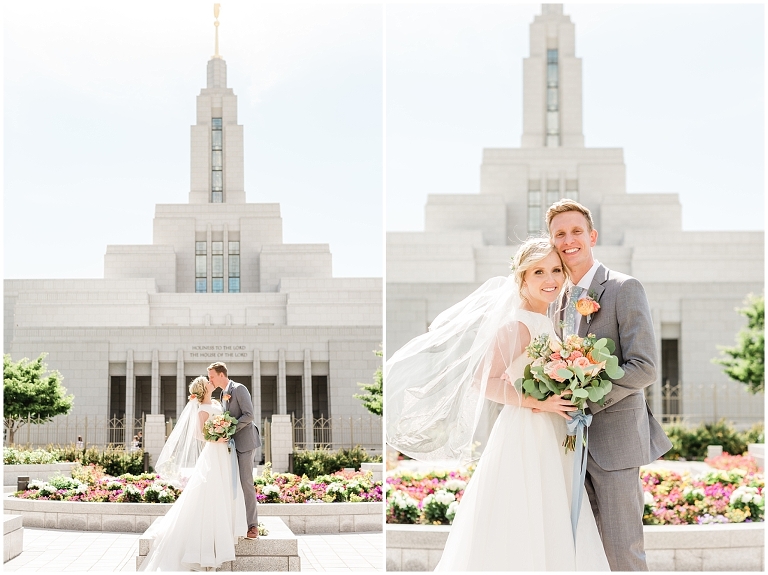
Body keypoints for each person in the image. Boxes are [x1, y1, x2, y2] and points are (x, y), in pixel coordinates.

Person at [386, 237, 610, 571]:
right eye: (538, 272)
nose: (550, 279)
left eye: (555, 270)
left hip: (550, 431)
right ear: (523, 279)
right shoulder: (519, 324)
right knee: (523, 510)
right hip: (527, 430)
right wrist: (541, 402)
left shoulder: (546, 321)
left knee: (550, 511)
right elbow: (484, 382)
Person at [545, 199, 672, 571]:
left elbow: (644, 366)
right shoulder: (556, 302)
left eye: (576, 231)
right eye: (560, 234)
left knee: (622, 552)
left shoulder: (623, 287)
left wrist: (585, 401)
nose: (569, 240)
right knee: (581, 553)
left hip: (615, 444)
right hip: (567, 449)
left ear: (592, 236)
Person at [138, 376, 247, 571]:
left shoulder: (216, 402)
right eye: (207, 382)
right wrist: (216, 438)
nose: (210, 382)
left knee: (224, 485)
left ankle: (227, 525)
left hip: (225, 452)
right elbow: (199, 434)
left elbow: (224, 412)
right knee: (211, 488)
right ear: (203, 389)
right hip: (214, 451)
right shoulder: (202, 410)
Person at [208, 361, 262, 541]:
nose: (210, 380)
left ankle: (253, 525)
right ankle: (239, 522)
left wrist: (229, 429)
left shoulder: (239, 389)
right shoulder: (223, 393)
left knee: (246, 481)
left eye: (212, 376)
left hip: (246, 442)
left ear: (221, 375)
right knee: (233, 483)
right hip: (232, 445)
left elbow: (249, 415)